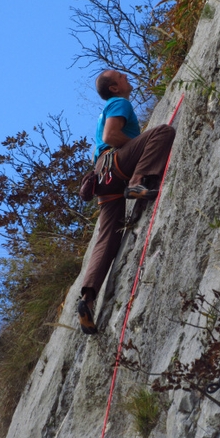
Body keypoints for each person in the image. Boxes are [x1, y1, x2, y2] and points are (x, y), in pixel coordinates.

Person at [78, 70, 176, 334]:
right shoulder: (119, 102)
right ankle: (137, 182)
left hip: (103, 176)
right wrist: (140, 147)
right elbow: (111, 136)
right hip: (116, 164)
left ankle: (87, 299)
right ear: (114, 87)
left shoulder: (107, 108)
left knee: (107, 238)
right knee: (162, 133)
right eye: (120, 76)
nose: (125, 77)